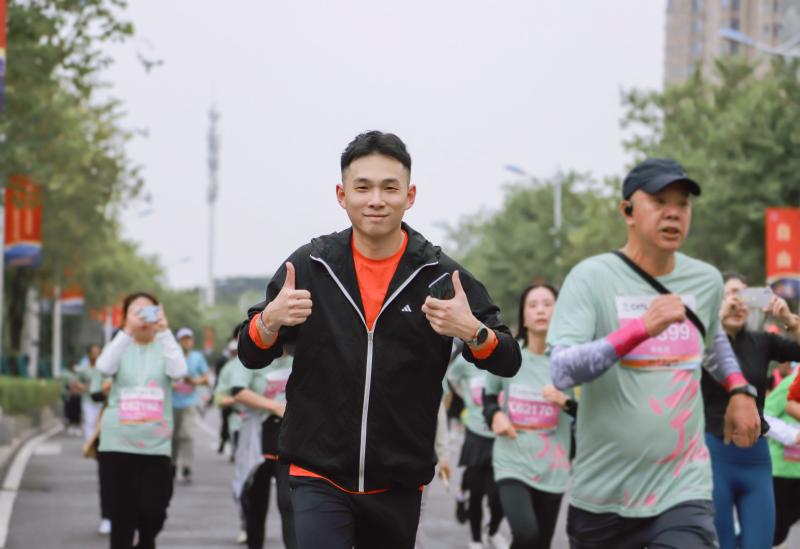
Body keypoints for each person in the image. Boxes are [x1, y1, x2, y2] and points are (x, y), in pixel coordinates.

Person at [238, 131, 521, 549]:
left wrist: (472, 332)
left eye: (390, 188)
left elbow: (508, 358)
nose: (376, 200)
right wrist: (269, 322)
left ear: (410, 195)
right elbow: (250, 353)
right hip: (317, 471)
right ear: (342, 195)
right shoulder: (311, 266)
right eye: (363, 187)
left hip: (398, 478)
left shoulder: (439, 276)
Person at [546, 158, 761, 548]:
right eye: (660, 202)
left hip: (683, 487)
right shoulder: (591, 278)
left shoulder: (706, 280)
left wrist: (739, 389)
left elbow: (711, 341)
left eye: (682, 204)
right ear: (627, 211)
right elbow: (562, 371)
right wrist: (639, 329)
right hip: (603, 498)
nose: (673, 213)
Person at [701, 273, 800, 549]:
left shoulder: (761, 342)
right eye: (731, 294)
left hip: (756, 458)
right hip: (714, 455)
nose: (738, 302)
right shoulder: (702, 342)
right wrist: (715, 321)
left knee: (760, 543)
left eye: (745, 295)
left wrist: (789, 320)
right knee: (721, 544)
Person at [484, 283, 574, 549]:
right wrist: (495, 415)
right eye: (533, 305)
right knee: (526, 536)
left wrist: (565, 402)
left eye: (547, 304)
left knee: (540, 544)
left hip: (553, 466)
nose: (540, 310)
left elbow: (588, 412)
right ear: (524, 316)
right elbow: (489, 397)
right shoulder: (509, 356)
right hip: (512, 459)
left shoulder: (569, 362)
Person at [96, 292, 188, 549]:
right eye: (136, 312)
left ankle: (146, 540)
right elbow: (103, 368)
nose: (143, 318)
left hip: (155, 446)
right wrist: (127, 331)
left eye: (149, 311)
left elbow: (179, 372)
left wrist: (165, 331)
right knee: (121, 517)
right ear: (125, 316)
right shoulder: (120, 345)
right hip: (118, 444)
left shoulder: (165, 346)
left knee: (154, 510)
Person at [231, 349, 296, 549]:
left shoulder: (298, 357)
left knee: (289, 503)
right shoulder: (251, 357)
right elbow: (238, 391)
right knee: (256, 502)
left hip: (291, 439)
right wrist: (274, 406)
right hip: (259, 438)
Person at [446, 348, 506, 548]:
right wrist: (465, 396)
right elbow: (451, 378)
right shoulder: (466, 362)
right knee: (477, 492)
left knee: (500, 496)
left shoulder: (507, 359)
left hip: (502, 438)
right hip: (475, 436)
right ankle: (475, 539)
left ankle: (493, 530)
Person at [213, 335, 247, 544]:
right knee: (246, 479)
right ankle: (246, 524)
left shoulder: (281, 361)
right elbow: (218, 398)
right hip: (240, 426)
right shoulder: (230, 368)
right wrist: (239, 398)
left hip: (278, 430)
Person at [763, 367, 800, 548]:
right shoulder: (792, 382)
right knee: (776, 532)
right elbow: (764, 415)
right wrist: (794, 436)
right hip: (782, 471)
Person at [171, 326, 209, 482]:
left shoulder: (197, 357)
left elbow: (205, 377)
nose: (186, 342)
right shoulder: (172, 356)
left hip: (189, 402)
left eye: (189, 339)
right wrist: (172, 384)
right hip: (172, 402)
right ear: (178, 341)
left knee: (187, 434)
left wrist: (194, 381)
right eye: (183, 339)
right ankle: (172, 463)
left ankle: (186, 466)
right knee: (173, 436)